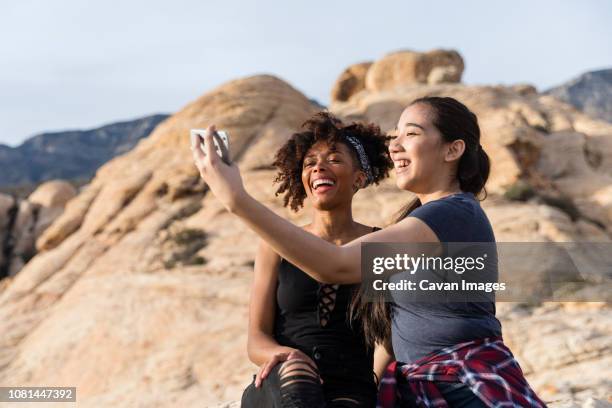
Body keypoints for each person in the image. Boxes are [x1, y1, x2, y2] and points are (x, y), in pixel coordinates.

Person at [192, 97, 547, 407]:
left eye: (411, 133)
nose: (395, 145)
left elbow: (335, 265)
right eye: (395, 135)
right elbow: (397, 330)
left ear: (452, 150)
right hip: (425, 386)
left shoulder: (449, 215)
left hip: (461, 385)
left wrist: (236, 199)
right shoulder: (422, 219)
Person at [240, 112, 394, 407]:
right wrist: (285, 356)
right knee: (297, 380)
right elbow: (256, 338)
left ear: (359, 178)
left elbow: (389, 338)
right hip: (282, 382)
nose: (319, 167)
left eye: (334, 159)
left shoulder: (381, 245)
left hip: (351, 387)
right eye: (309, 163)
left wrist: (375, 381)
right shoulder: (276, 244)